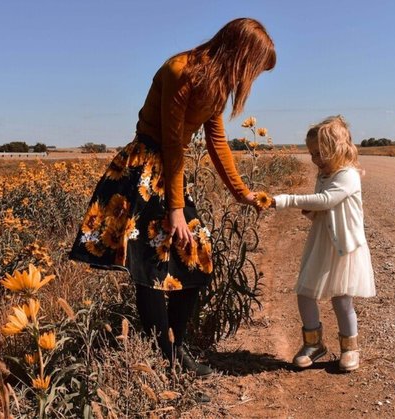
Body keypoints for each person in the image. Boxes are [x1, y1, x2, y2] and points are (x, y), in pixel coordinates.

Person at [69, 18, 276, 376]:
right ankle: (166, 359)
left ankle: (174, 350)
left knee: (198, 259)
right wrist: (176, 211)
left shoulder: (216, 85)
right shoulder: (181, 71)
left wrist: (241, 192)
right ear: (241, 55)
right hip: (144, 170)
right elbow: (170, 142)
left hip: (168, 173)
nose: (252, 77)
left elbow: (217, 142)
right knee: (149, 268)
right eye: (255, 68)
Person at [270, 116, 375, 372]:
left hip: (345, 247)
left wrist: (285, 200)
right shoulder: (325, 174)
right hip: (322, 242)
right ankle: (313, 343)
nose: (314, 159)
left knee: (342, 300)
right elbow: (323, 205)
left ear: (336, 149)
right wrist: (311, 210)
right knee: (305, 292)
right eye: (312, 153)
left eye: (319, 153)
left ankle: (350, 348)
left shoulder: (348, 175)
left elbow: (327, 200)